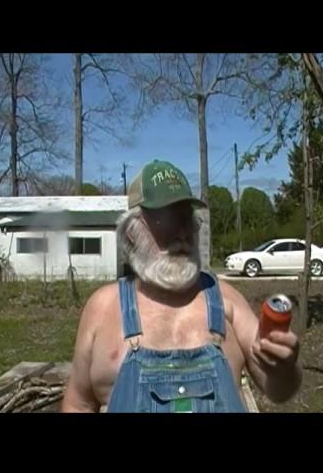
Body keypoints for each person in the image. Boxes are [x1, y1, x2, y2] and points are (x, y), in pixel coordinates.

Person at [61, 159, 302, 412]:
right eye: (167, 220)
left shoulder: (225, 300)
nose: (183, 233)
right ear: (132, 231)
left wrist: (285, 368)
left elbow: (279, 390)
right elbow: (78, 403)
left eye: (187, 220)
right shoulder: (103, 308)